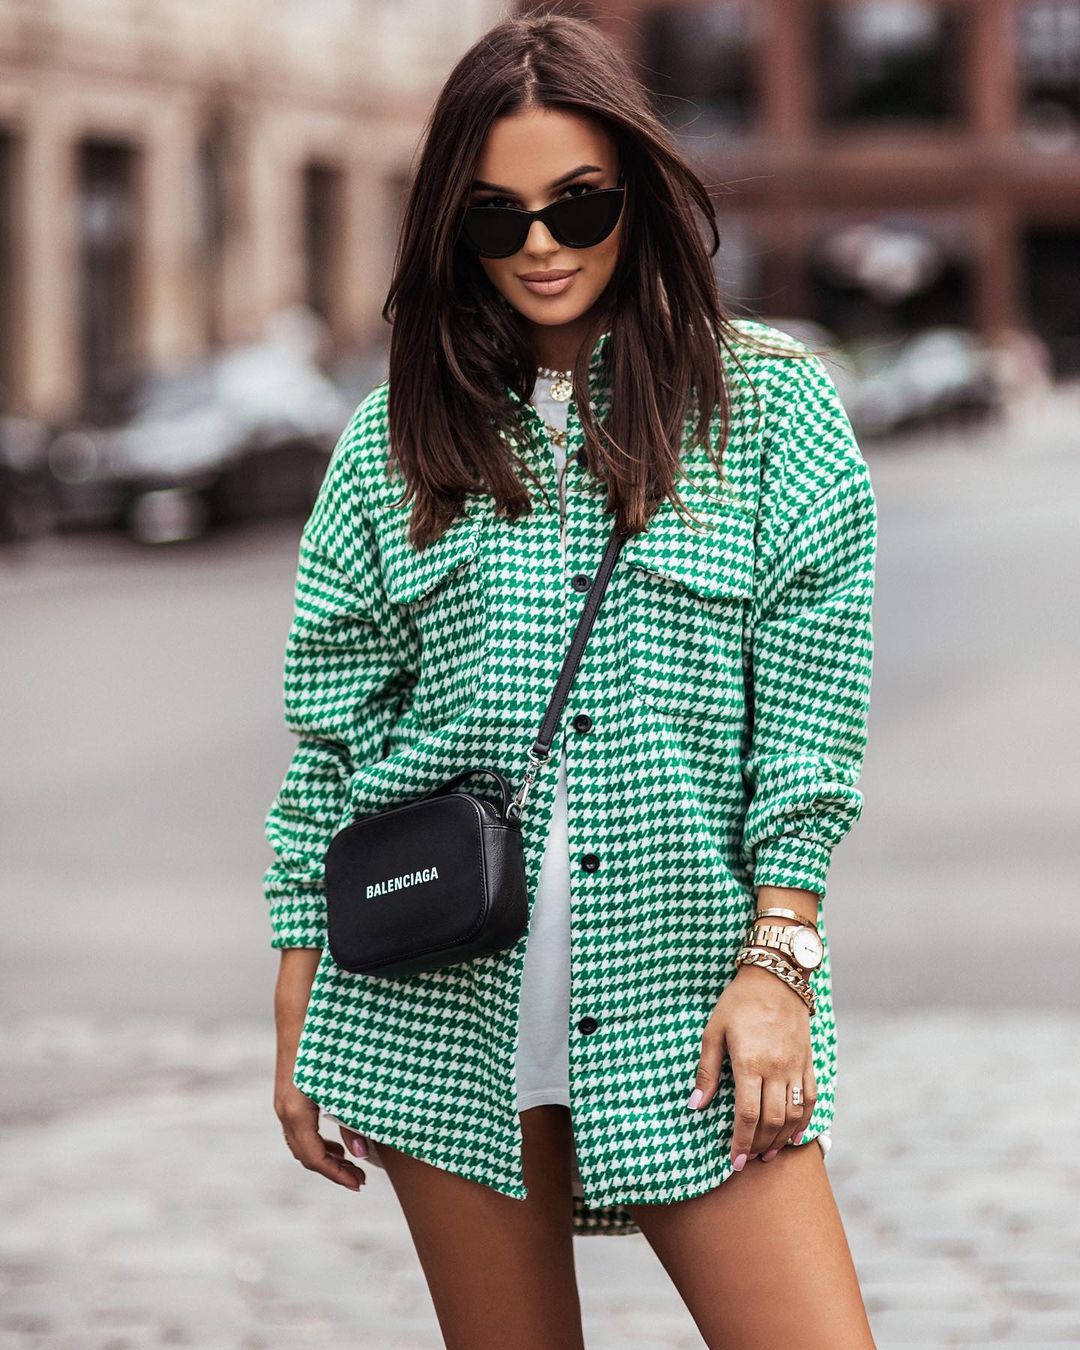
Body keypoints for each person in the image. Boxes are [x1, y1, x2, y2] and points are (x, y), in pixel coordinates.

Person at [264, 12, 878, 1349]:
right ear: (452, 231)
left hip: (691, 1005)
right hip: (436, 1012)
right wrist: (298, 989)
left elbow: (814, 724)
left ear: (635, 196)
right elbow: (330, 744)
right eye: (495, 218)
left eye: (575, 204)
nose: (539, 246)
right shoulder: (391, 442)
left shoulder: (770, 410)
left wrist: (779, 959)